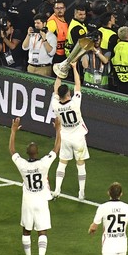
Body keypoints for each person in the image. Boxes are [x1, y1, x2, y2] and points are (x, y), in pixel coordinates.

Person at [9, 117, 61, 255]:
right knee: (42, 231)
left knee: (26, 230)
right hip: (41, 200)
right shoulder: (44, 163)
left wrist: (13, 131)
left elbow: (12, 150)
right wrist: (58, 129)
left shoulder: (22, 165)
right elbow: (56, 148)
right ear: (37, 152)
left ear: (27, 153)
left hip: (28, 201)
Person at [51, 63, 89, 200]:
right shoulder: (74, 103)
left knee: (62, 163)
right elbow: (78, 85)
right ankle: (81, 192)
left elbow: (56, 90)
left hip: (65, 136)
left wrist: (59, 75)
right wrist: (74, 68)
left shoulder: (55, 105)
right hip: (78, 136)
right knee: (80, 164)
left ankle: (57, 190)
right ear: (68, 93)